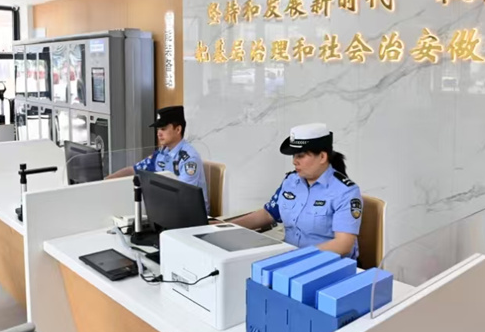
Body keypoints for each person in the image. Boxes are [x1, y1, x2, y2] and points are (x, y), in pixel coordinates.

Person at [231, 123, 363, 258]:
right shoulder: (291, 181)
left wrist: (295, 257)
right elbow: (268, 214)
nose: (294, 161)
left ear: (322, 157)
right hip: (290, 257)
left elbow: (343, 245)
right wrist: (226, 226)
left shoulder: (345, 191)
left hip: (326, 263)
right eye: (293, 156)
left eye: (300, 156)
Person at [106, 105, 210, 213]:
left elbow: (182, 194)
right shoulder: (161, 152)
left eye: (163, 129)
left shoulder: (189, 158)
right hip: (165, 208)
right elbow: (134, 170)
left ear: (178, 129)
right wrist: (108, 180)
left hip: (188, 214)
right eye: (158, 129)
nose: (158, 133)